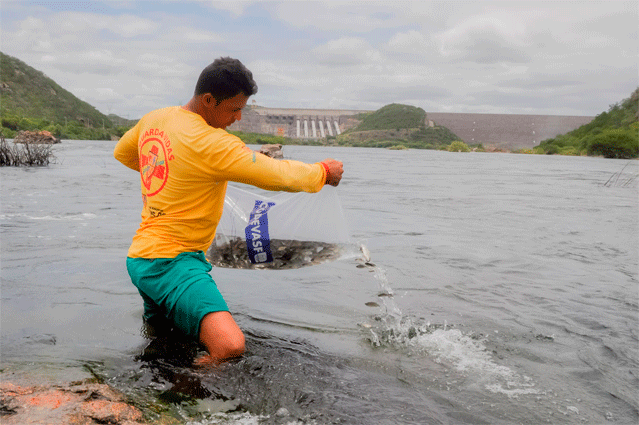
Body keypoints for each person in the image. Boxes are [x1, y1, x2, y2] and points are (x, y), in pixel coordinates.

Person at [114, 57, 343, 366]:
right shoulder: (211, 143)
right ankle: (190, 393)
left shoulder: (157, 118)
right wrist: (322, 171)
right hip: (172, 262)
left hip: (141, 258)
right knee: (229, 347)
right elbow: (279, 175)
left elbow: (124, 152)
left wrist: (175, 171)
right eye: (234, 109)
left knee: (166, 343)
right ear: (208, 100)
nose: (237, 118)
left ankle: (153, 392)